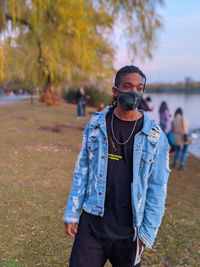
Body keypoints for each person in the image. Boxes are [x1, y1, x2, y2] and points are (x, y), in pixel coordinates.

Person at [63, 65, 170, 267]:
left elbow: (158, 189)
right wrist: (71, 212)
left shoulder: (156, 138)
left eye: (139, 88)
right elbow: (82, 170)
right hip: (92, 225)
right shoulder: (96, 125)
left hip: (129, 232)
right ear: (115, 91)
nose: (134, 92)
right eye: (128, 86)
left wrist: (145, 235)